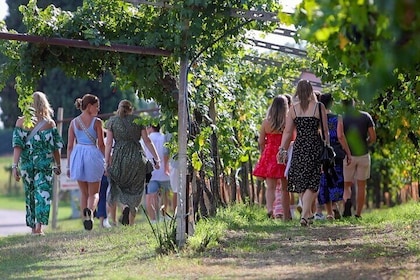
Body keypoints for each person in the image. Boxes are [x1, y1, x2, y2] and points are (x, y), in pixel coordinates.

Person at [277, 80, 329, 226]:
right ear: (311, 90)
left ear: (297, 92)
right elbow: (325, 131)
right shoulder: (319, 107)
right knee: (313, 181)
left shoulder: (293, 109)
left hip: (299, 147)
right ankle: (306, 216)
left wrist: (282, 149)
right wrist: (327, 147)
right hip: (315, 146)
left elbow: (287, 132)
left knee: (302, 180)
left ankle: (307, 214)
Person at [12, 91, 64, 235]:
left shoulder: (21, 122)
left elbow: (17, 146)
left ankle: (33, 227)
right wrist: (58, 165)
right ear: (44, 104)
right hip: (44, 164)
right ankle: (38, 227)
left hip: (27, 165)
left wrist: (15, 166)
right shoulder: (49, 124)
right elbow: (55, 148)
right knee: (43, 193)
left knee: (30, 194)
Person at [105, 100, 160, 226]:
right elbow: (147, 141)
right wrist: (157, 159)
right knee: (136, 188)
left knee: (121, 186)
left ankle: (125, 206)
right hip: (136, 157)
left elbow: (108, 144)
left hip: (119, 159)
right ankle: (131, 218)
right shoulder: (138, 120)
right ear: (131, 109)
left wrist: (107, 163)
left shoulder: (112, 122)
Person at [67, 94, 105, 231]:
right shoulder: (97, 122)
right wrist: (107, 159)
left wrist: (69, 165)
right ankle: (90, 211)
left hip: (78, 155)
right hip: (92, 154)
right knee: (94, 193)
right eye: (96, 106)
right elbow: (101, 144)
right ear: (89, 107)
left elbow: (70, 145)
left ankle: (85, 221)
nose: (98, 109)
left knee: (83, 193)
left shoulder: (74, 122)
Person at [253, 95, 291, 221]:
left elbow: (261, 141)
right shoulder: (288, 122)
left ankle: (270, 209)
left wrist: (265, 151)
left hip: (269, 154)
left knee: (270, 187)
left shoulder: (266, 122)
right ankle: (286, 215)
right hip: (283, 153)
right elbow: (293, 138)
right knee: (285, 188)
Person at [315, 93, 352, 220]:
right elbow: (340, 136)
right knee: (336, 180)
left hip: (322, 153)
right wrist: (348, 152)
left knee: (324, 181)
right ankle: (335, 206)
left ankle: (329, 212)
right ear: (332, 103)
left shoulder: (317, 117)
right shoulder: (338, 117)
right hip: (336, 152)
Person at [341, 98, 376, 218]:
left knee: (346, 185)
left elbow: (340, 136)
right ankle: (358, 214)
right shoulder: (366, 116)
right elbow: (373, 137)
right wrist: (366, 143)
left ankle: (347, 202)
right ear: (354, 103)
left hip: (348, 155)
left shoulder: (342, 118)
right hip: (363, 154)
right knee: (361, 185)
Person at [144, 124, 172, 223]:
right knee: (165, 194)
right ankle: (164, 215)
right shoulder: (164, 137)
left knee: (151, 195)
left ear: (151, 128)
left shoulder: (146, 138)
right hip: (164, 171)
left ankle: (153, 219)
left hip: (151, 171)